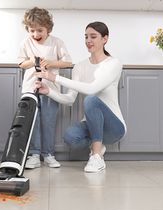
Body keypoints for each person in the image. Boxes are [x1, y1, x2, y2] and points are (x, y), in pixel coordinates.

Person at [35, 21, 126, 173]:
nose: (88, 41)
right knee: (70, 137)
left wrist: (54, 78)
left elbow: (93, 89)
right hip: (91, 124)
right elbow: (70, 99)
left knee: (91, 99)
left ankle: (96, 156)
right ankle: (97, 145)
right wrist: (48, 92)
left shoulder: (113, 63)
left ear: (105, 39)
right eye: (86, 37)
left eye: (93, 36)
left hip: (114, 127)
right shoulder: (80, 66)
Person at [18, 7, 72, 169]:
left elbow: (67, 62)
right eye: (31, 30)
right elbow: (21, 63)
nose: (36, 34)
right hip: (30, 89)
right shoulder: (26, 43)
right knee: (33, 123)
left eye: (40, 30)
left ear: (48, 28)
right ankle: (34, 155)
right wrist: (34, 60)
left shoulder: (57, 42)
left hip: (51, 90)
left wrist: (50, 62)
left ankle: (48, 154)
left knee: (48, 123)